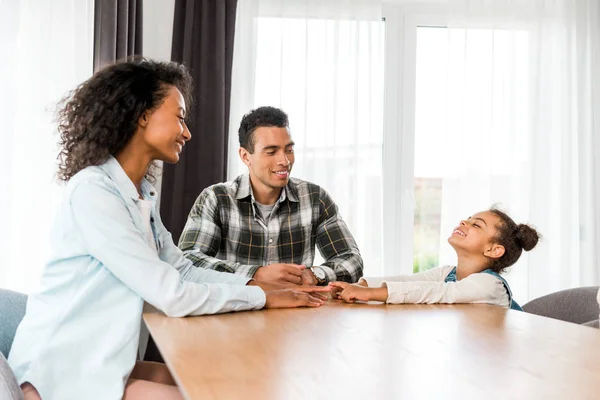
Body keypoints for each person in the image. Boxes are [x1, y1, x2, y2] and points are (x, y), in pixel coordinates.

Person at [8, 59, 330, 400]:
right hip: (55, 376)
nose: (187, 132)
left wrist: (254, 283)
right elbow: (172, 294)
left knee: (219, 382)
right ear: (143, 115)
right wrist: (263, 297)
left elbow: (183, 269)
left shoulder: (137, 193)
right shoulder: (94, 192)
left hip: (97, 360)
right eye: (179, 116)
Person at [178, 106, 363, 286]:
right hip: (236, 312)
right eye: (271, 152)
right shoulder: (216, 199)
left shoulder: (315, 198)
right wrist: (256, 274)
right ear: (245, 156)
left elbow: (352, 260)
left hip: (297, 311)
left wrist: (314, 275)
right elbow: (188, 262)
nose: (285, 161)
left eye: (289, 150)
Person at [330, 208, 539, 310]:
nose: (464, 222)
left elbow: (436, 292)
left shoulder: (489, 285)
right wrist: (359, 285)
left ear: (494, 250)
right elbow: (411, 281)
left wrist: (370, 294)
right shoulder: (449, 273)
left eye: (476, 225)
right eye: (468, 219)